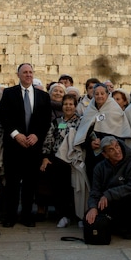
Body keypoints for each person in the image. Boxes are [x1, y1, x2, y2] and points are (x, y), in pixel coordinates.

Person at [0, 63, 52, 228]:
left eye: (30, 72)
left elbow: (46, 120)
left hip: (33, 147)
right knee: (12, 183)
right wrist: (16, 134)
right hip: (14, 146)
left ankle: (27, 215)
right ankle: (10, 216)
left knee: (30, 183)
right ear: (18, 75)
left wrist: (37, 135)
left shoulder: (43, 96)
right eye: (25, 72)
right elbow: (4, 117)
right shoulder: (9, 93)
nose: (28, 75)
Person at [85, 136, 131, 240]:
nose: (117, 151)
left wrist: (109, 194)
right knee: (91, 214)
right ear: (105, 155)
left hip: (128, 200)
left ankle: (129, 229)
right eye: (111, 149)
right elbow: (95, 191)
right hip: (109, 202)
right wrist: (92, 207)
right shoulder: (99, 168)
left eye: (117, 146)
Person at [73, 83, 131, 183]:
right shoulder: (89, 111)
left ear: (107, 94)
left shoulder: (115, 111)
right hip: (93, 156)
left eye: (102, 93)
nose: (99, 96)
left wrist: (107, 143)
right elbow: (83, 133)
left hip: (111, 156)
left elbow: (121, 133)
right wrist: (89, 143)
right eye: (96, 94)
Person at [40, 94, 81, 228]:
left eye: (71, 104)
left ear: (75, 106)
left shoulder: (80, 122)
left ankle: (79, 215)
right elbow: (49, 140)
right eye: (65, 104)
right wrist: (45, 157)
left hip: (75, 158)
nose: (68, 107)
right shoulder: (57, 122)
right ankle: (63, 214)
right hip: (58, 157)